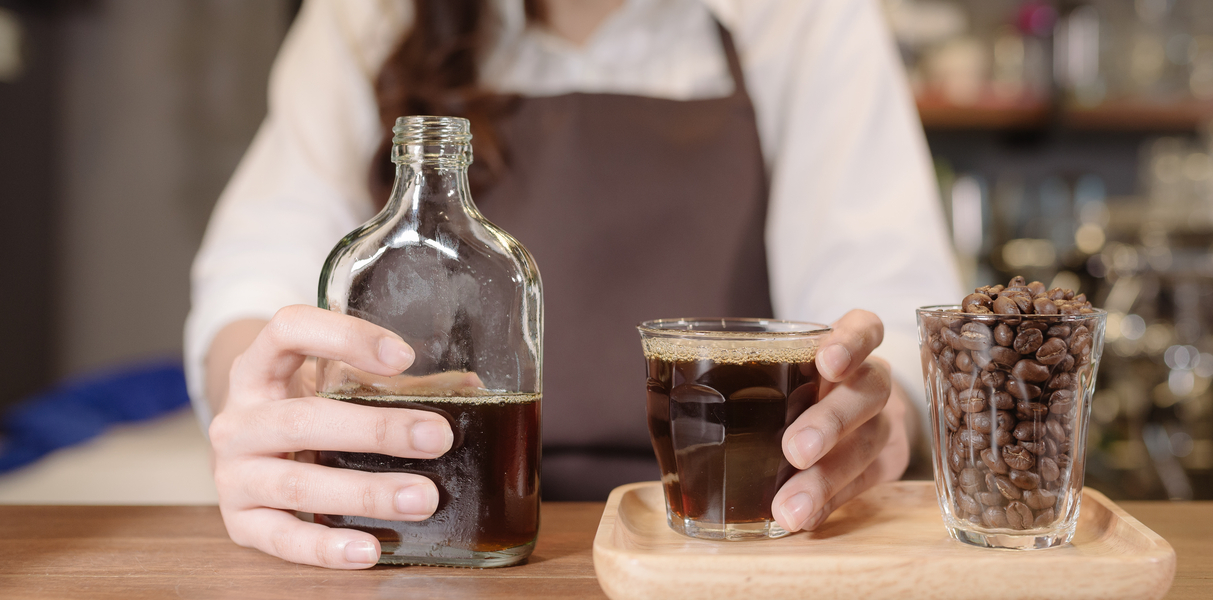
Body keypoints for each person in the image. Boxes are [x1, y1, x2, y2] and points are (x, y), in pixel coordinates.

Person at [187, 0, 961, 569]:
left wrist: (876, 417)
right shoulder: (368, 18)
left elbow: (885, 305)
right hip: (437, 531)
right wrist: (269, 407)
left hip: (724, 549)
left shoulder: (806, 18)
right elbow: (258, 279)